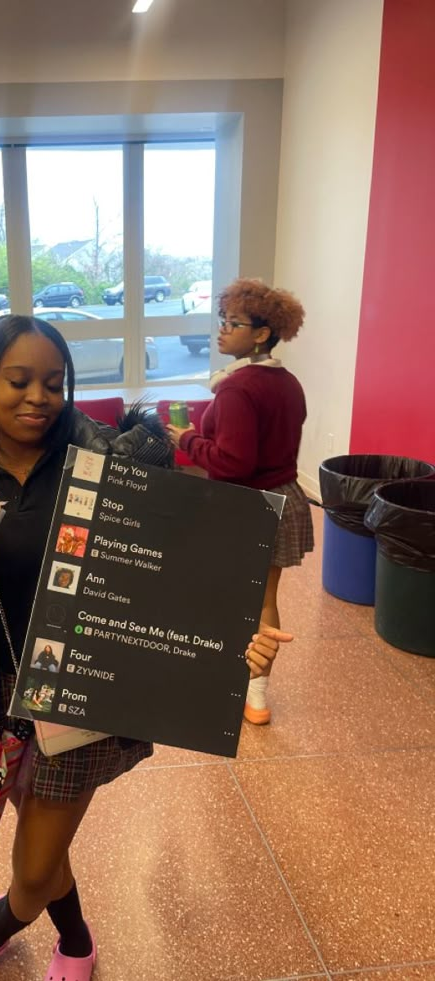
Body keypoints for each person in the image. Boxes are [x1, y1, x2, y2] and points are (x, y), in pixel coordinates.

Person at [0, 313, 292, 981]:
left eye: (54, 382)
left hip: (81, 697)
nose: (38, 398)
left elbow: (178, 561)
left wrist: (241, 630)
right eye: (18, 381)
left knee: (30, 870)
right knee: (46, 848)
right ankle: (77, 943)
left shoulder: (106, 459)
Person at [168, 277, 313, 726]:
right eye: (223, 320)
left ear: (262, 333)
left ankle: (217, 680)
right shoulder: (287, 382)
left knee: (221, 599)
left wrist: (188, 438)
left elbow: (233, 464)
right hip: (284, 498)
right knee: (263, 599)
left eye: (234, 323)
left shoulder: (236, 389)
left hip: (243, 508)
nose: (222, 329)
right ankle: (256, 696)